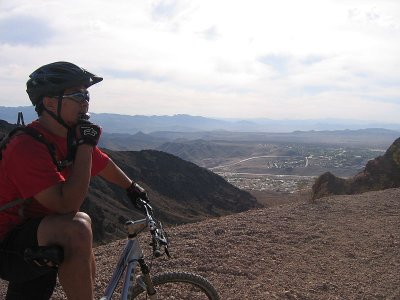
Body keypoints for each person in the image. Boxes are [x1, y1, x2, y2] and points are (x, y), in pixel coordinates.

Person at [0, 61, 148, 300]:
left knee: (81, 223)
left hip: (40, 232)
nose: (85, 100)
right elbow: (65, 204)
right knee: (76, 226)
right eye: (76, 94)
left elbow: (103, 164)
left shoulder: (69, 137)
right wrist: (85, 147)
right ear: (49, 102)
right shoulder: (26, 145)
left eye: (86, 94)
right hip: (8, 243)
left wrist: (131, 187)